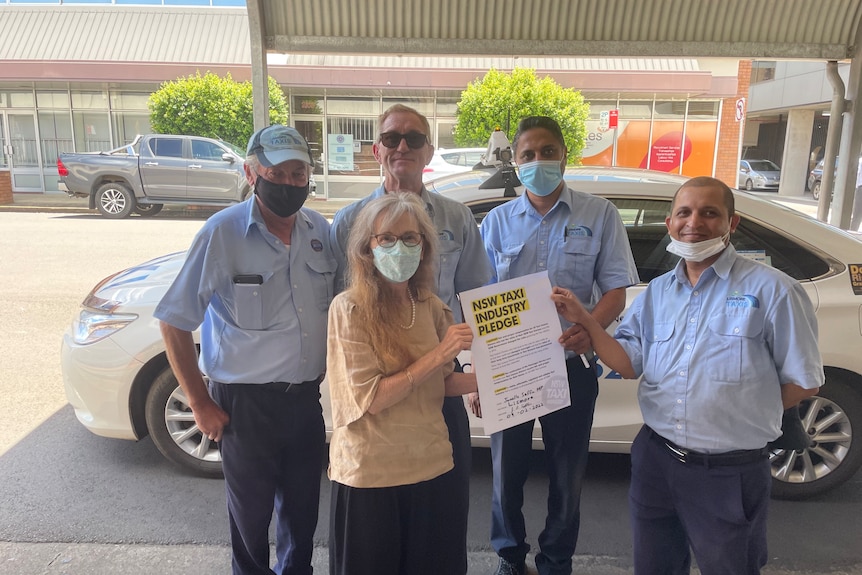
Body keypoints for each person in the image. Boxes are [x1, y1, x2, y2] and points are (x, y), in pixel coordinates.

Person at [550, 176, 824, 575]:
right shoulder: (658, 293)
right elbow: (628, 363)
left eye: (710, 213)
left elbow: (805, 380)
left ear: (732, 223)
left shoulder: (774, 291)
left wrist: (737, 412)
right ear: (670, 224)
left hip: (728, 471)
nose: (694, 222)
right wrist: (586, 323)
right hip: (656, 461)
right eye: (684, 212)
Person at [154, 125, 336, 575]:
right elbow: (174, 322)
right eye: (278, 172)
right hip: (244, 407)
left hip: (304, 402)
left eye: (299, 173)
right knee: (251, 521)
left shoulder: (319, 230)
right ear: (251, 173)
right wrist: (198, 403)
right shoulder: (222, 234)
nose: (291, 183)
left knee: (302, 515)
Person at [329, 103, 492, 571]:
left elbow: (479, 301)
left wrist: (497, 373)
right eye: (385, 240)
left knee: (434, 546)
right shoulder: (346, 235)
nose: (403, 147)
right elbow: (367, 391)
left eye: (414, 138)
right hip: (371, 453)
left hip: (430, 434)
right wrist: (444, 354)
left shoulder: (438, 284)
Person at [478, 116, 639, 575]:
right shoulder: (496, 222)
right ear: (516, 161)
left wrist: (589, 328)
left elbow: (614, 291)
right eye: (527, 155)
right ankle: (510, 557)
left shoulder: (599, 214)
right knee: (505, 474)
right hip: (511, 369)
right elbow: (484, 302)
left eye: (547, 151)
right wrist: (479, 374)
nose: (538, 162)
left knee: (567, 477)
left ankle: (555, 560)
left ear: (565, 154)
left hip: (571, 366)